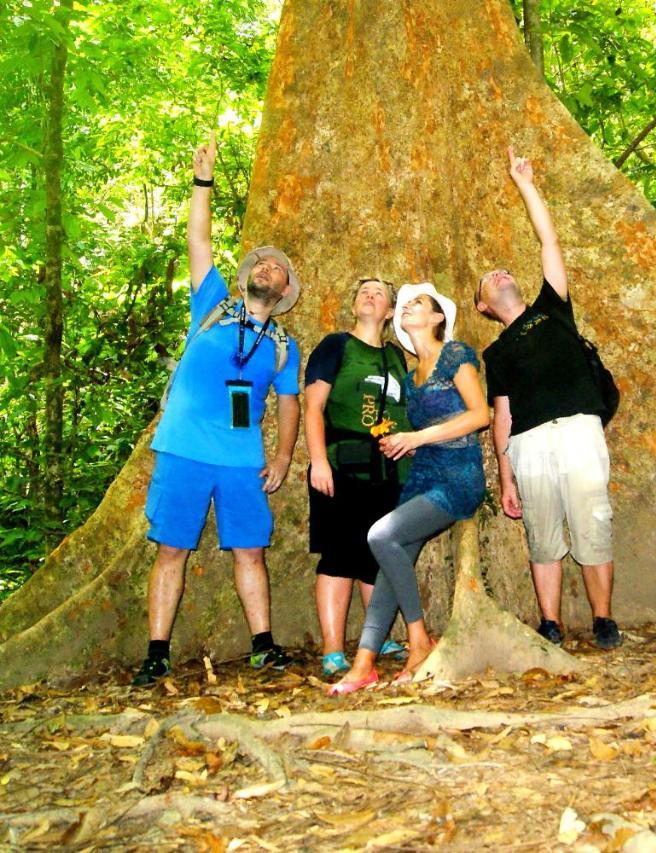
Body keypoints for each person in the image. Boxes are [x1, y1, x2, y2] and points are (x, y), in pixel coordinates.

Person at [133, 132, 302, 685]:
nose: (268, 270)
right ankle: (156, 652)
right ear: (247, 274)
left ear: (283, 289)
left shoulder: (283, 344)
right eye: (262, 263)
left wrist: (281, 456)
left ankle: (263, 645)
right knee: (172, 550)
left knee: (250, 551)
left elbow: (290, 403)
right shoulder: (212, 304)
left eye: (278, 269)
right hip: (182, 448)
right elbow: (198, 240)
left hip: (240, 458)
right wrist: (202, 180)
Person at [474, 148, 621, 650]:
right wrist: (506, 475)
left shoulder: (551, 309)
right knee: (542, 534)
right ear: (482, 307)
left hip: (580, 428)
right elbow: (502, 416)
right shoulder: (494, 351)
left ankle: (603, 618)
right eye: (488, 280)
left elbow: (548, 240)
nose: (498, 275)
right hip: (529, 443)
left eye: (502, 272)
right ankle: (551, 623)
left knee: (592, 522)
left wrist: (525, 184)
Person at [327, 283, 489, 694]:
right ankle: (364, 662)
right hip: (422, 474)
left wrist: (415, 439)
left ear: (437, 318)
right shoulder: (411, 373)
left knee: (380, 534)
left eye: (417, 303)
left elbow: (480, 415)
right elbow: (418, 429)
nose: (406, 308)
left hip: (457, 475)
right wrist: (400, 439)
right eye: (404, 305)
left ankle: (419, 640)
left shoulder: (455, 355)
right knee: (390, 558)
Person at [304, 278, 415, 677]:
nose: (370, 296)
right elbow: (313, 407)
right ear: (354, 306)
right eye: (363, 292)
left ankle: (376, 634)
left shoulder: (398, 358)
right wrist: (318, 461)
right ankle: (333, 649)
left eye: (379, 293)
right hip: (340, 462)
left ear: (389, 312)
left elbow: (402, 411)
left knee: (377, 555)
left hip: (386, 469)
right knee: (338, 555)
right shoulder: (336, 346)